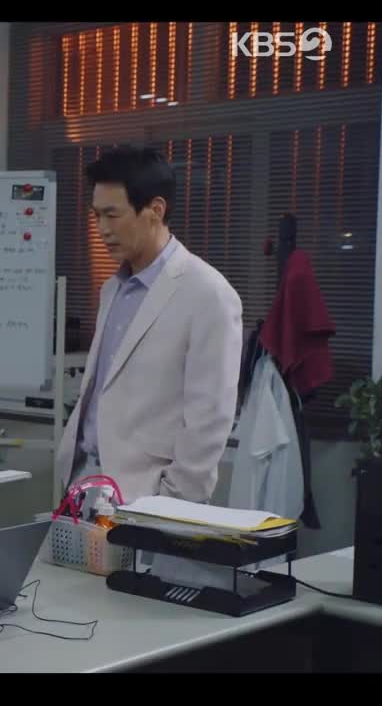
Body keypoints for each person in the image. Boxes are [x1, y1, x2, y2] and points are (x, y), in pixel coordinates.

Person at [54, 146, 242, 504]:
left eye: (112, 215)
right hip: (84, 481)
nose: (102, 229)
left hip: (146, 495)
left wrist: (172, 501)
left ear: (155, 210)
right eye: (96, 215)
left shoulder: (208, 293)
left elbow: (209, 419)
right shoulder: (113, 288)